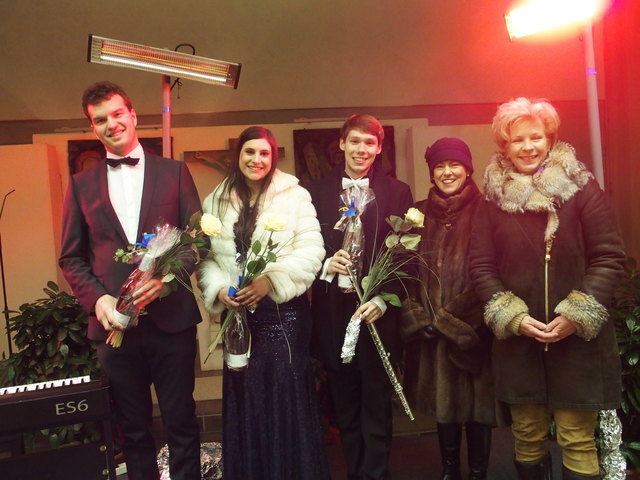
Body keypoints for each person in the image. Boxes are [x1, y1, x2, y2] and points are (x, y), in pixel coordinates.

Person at [468, 97, 626, 480]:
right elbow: (481, 266)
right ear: (504, 146)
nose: (527, 147)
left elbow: (609, 258)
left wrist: (577, 314)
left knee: (576, 437)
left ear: (550, 139)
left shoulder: (583, 190)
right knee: (527, 435)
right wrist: (512, 316)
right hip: (519, 342)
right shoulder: (491, 202)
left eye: (535, 137)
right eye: (516, 140)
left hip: (578, 343)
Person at [59, 81, 202, 480]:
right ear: (93, 128)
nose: (111, 124)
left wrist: (168, 279)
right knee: (134, 432)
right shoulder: (79, 185)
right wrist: (99, 301)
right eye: (100, 119)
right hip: (113, 329)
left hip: (171, 321)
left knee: (182, 426)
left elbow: (197, 240)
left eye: (117, 113)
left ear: (133, 115)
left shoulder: (174, 172)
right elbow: (71, 257)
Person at [197, 126, 329, 480]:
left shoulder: (294, 195)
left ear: (274, 158)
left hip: (284, 317)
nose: (257, 160)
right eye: (249, 152)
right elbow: (206, 259)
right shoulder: (216, 200)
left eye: (264, 154)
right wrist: (220, 289)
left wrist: (272, 279)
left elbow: (313, 252)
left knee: (285, 400)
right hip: (239, 318)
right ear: (237, 156)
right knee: (247, 400)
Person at [308, 114, 413, 480]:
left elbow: (405, 255)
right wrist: (325, 264)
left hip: (376, 313)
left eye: (369, 143)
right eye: (354, 141)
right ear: (341, 144)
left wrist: (384, 299)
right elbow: (303, 248)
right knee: (345, 402)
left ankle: (377, 475)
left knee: (376, 403)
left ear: (379, 148)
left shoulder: (398, 192)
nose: (361, 150)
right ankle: (355, 473)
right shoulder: (315, 192)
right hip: (333, 312)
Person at [400, 138, 495, 480]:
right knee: (444, 407)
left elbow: (492, 273)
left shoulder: (488, 209)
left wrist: (452, 321)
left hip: (473, 331)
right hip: (431, 337)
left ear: (468, 169)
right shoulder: (417, 213)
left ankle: (479, 472)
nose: (447, 172)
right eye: (439, 166)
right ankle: (449, 470)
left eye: (454, 165)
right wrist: (419, 318)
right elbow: (403, 271)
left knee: (476, 408)